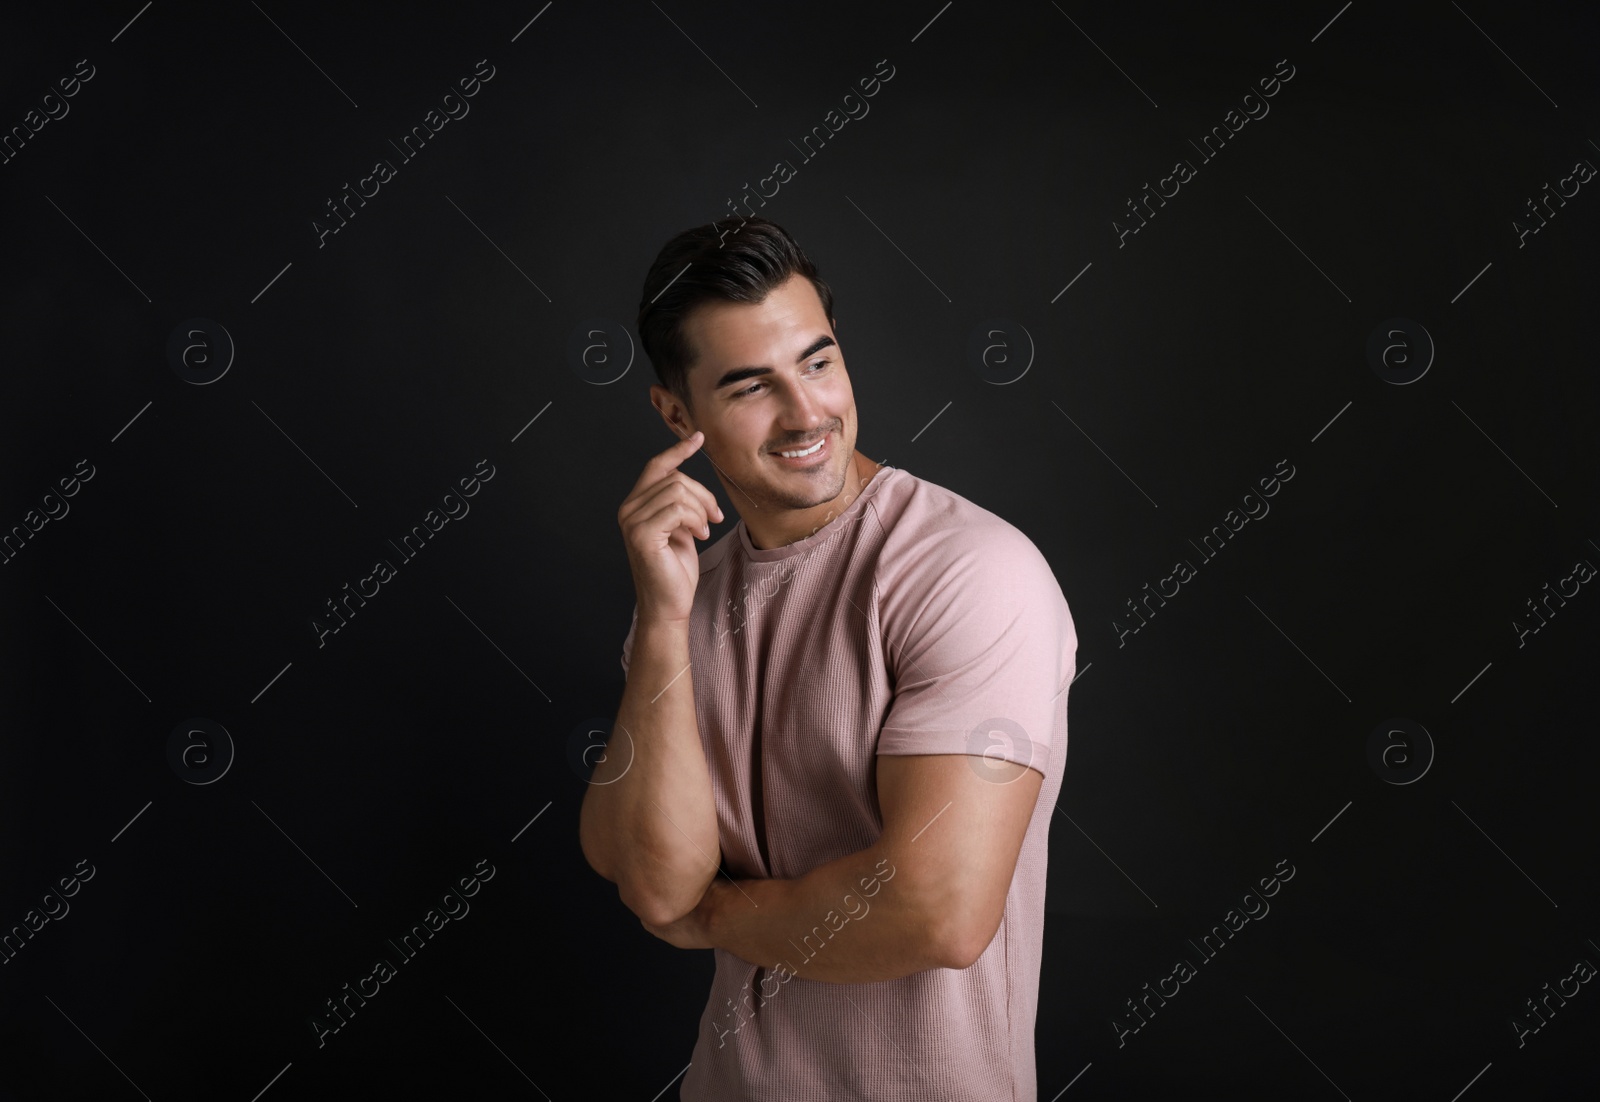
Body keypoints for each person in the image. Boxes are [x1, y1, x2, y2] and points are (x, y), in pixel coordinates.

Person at [578, 215, 1077, 1100]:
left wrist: (719, 915)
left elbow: (937, 910)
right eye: (750, 386)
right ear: (675, 413)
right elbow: (656, 883)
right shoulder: (683, 599)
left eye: (818, 361)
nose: (808, 412)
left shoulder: (970, 572)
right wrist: (661, 621)